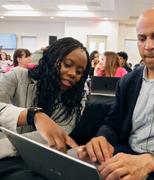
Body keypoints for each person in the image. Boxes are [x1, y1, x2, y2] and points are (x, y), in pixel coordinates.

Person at [78, 9, 154, 180]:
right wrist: (101, 139)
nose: (148, 46)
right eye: (142, 39)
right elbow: (113, 122)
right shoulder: (127, 81)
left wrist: (152, 160)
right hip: (126, 156)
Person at [0, 37, 91, 179]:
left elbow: (53, 138)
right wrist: (33, 115)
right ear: (52, 60)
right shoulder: (18, 76)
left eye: (79, 72)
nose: (73, 74)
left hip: (33, 161)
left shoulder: (75, 102)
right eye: (67, 64)